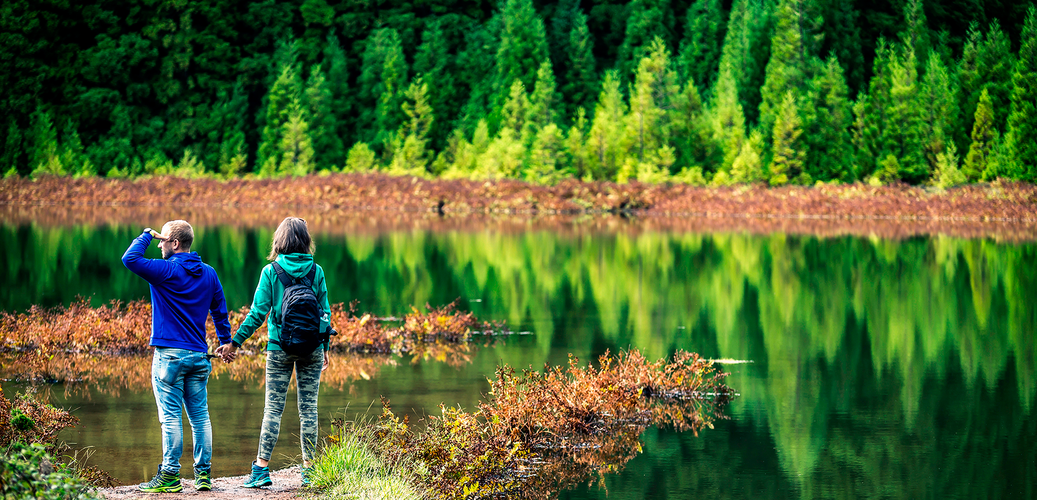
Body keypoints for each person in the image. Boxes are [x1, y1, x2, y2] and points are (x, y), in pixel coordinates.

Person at [216, 216, 331, 487]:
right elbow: (325, 313)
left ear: (279, 240)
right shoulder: (317, 271)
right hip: (312, 347)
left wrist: (235, 342)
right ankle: (309, 470)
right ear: (305, 241)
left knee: (273, 410)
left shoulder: (271, 272)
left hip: (279, 348)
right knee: (309, 409)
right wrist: (325, 347)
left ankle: (260, 471)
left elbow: (257, 314)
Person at [122, 220, 233, 493]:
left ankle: (170, 475)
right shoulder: (209, 273)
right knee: (200, 417)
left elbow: (130, 258)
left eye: (163, 240)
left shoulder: (165, 270)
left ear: (174, 243)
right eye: (157, 239)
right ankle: (203, 475)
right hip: (199, 356)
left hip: (169, 357)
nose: (159, 245)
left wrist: (147, 234)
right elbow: (220, 310)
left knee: (170, 417)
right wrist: (226, 341)